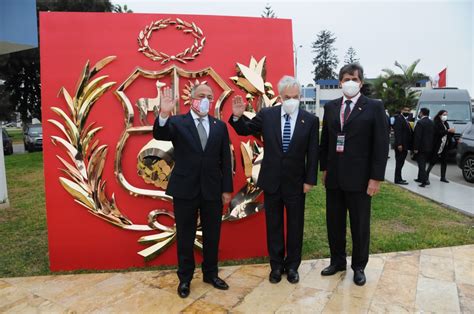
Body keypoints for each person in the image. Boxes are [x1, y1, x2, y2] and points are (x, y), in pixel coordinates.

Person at [229, 75, 319, 284]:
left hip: (297, 183)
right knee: (274, 225)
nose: (292, 100)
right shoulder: (267, 115)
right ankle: (276, 266)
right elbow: (245, 130)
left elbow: (313, 153)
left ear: (300, 97)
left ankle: (293, 266)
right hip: (272, 181)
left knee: (296, 226)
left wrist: (309, 180)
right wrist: (237, 117)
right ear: (280, 97)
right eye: (287, 96)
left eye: (295, 96)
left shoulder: (310, 120)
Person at [153, 84, 233, 298]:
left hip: (212, 190)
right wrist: (164, 113)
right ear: (191, 98)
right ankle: (185, 279)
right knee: (185, 236)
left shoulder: (219, 126)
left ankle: (211, 274)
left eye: (209, 96)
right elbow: (160, 133)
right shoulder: (178, 122)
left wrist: (227, 189)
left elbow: (226, 159)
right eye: (201, 96)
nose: (205, 99)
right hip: (185, 189)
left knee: (212, 235)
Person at [319, 63, 389, 286]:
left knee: (359, 226)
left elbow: (381, 144)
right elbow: (327, 141)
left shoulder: (374, 107)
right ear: (340, 81)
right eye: (347, 78)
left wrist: (375, 178)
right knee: (334, 223)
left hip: (361, 180)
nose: (351, 82)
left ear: (361, 82)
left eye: (355, 79)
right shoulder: (330, 107)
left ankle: (359, 267)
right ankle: (337, 261)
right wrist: (325, 169)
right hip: (335, 178)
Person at [426, 110, 455, 183]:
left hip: (445, 145)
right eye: (444, 114)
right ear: (439, 115)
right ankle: (426, 176)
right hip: (437, 145)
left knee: (444, 161)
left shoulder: (446, 123)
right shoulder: (436, 123)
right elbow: (438, 133)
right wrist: (448, 131)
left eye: (446, 115)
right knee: (433, 161)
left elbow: (448, 135)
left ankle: (443, 177)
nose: (445, 116)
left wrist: (452, 132)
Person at [413, 107, 435, 187]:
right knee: (423, 163)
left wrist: (415, 148)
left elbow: (417, 137)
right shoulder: (431, 122)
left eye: (419, 112)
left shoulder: (420, 123)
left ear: (421, 113)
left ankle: (424, 180)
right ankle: (419, 178)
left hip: (421, 147)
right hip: (429, 147)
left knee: (421, 165)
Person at [393, 107, 414, 184]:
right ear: (402, 111)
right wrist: (399, 144)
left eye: (408, 111)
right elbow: (398, 133)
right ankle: (398, 179)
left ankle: (399, 178)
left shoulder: (405, 119)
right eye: (405, 110)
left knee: (401, 163)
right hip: (401, 146)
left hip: (404, 145)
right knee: (399, 163)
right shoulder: (399, 119)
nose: (407, 112)